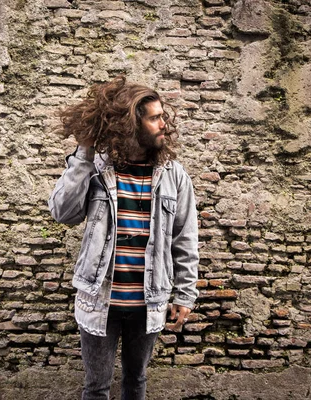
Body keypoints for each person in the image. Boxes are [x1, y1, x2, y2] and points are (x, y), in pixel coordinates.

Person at [48, 75, 199, 400]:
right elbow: (63, 212)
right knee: (97, 388)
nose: (164, 124)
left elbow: (184, 239)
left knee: (136, 381)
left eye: (163, 116)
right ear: (133, 124)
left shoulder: (175, 176)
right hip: (99, 300)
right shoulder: (97, 170)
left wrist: (185, 295)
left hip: (149, 301)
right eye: (155, 118)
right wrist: (84, 153)